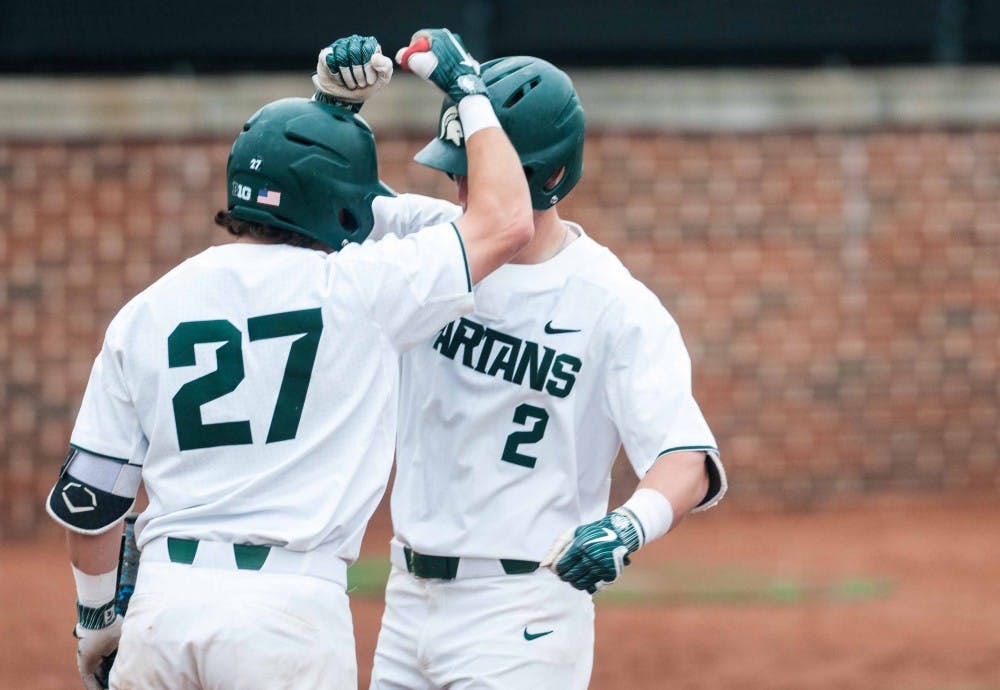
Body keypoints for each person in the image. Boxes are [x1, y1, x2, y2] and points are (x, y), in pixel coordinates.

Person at [45, 29, 533, 690]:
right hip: (288, 616)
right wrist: (467, 90)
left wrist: (98, 620)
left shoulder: (147, 309)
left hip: (164, 606)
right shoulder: (364, 289)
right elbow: (504, 220)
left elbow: (92, 503)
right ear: (339, 204)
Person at [317, 45, 728, 689]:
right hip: (407, 598)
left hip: (523, 610)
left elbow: (687, 460)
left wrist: (627, 526)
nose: (459, 187)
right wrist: (333, 104)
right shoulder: (433, 242)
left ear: (547, 175)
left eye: (475, 169)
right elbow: (323, 206)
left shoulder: (614, 304)